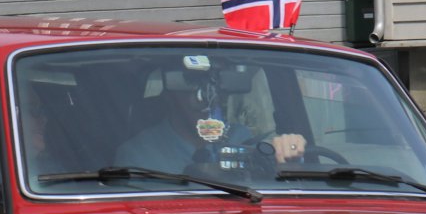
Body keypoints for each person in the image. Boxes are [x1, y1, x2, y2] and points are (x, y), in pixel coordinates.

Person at [113, 81, 307, 174]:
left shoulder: (241, 136)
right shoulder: (138, 155)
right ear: (170, 96)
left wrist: (287, 154)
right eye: (191, 86)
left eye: (213, 88)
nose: (206, 98)